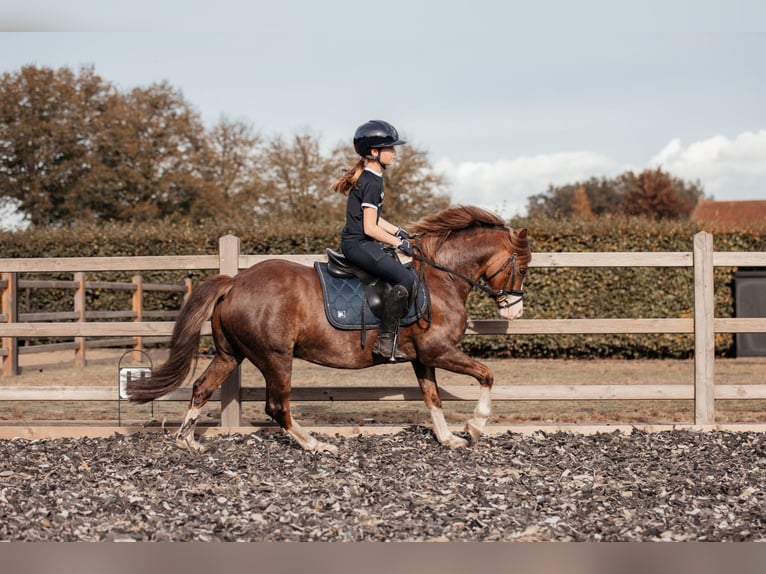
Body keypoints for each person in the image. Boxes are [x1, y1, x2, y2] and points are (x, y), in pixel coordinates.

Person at [331, 120, 418, 362]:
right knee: (406, 278)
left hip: (360, 242)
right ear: (374, 152)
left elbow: (375, 219)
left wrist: (400, 232)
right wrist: (397, 243)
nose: (394, 152)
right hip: (359, 244)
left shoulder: (371, 179)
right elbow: (369, 228)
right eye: (390, 148)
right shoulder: (371, 181)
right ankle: (385, 340)